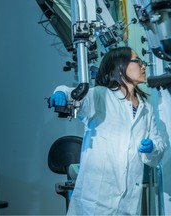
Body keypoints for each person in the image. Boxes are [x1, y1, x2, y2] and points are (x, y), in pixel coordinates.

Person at [49, 47, 167, 215]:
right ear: (119, 67)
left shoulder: (146, 109)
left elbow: (157, 150)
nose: (143, 66)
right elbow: (73, 94)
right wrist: (61, 92)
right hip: (97, 200)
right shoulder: (101, 96)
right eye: (137, 61)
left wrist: (152, 147)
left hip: (128, 202)